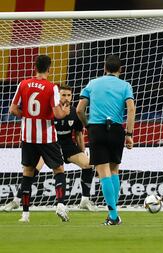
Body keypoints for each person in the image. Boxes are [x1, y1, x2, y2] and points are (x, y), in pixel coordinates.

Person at [3, 84, 96, 212]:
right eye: (63, 95)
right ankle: (16, 201)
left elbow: (79, 135)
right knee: (32, 170)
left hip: (68, 146)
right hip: (49, 145)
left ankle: (85, 200)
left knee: (88, 164)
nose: (66, 98)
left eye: (69, 95)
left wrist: (82, 150)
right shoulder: (52, 110)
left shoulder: (76, 112)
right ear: (58, 96)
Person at [8, 55, 70, 222]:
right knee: (59, 170)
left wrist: (27, 116)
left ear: (35, 67)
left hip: (27, 137)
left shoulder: (23, 84)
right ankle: (60, 204)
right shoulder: (52, 87)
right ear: (49, 68)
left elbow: (13, 109)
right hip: (47, 137)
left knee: (27, 173)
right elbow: (57, 114)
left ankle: (25, 215)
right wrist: (65, 112)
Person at [76, 54, 135, 225]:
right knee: (114, 170)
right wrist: (129, 135)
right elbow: (131, 110)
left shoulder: (93, 83)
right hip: (116, 129)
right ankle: (114, 213)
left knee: (103, 172)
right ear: (120, 70)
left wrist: (88, 126)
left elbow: (80, 109)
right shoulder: (125, 85)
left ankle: (113, 215)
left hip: (97, 129)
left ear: (104, 68)